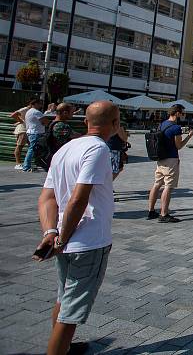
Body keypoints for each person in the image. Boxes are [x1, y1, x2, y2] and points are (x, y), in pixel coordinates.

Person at [34, 101, 118, 355]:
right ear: (115, 124)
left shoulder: (66, 149)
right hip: (88, 241)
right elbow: (78, 198)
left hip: (63, 236)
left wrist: (52, 233)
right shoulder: (98, 149)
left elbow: (47, 197)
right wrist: (64, 237)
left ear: (85, 121)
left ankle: (65, 347)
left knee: (64, 299)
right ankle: (59, 348)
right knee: (71, 314)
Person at [147, 105, 193, 223]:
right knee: (168, 186)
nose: (183, 115)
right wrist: (189, 136)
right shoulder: (176, 128)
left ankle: (151, 211)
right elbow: (179, 146)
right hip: (171, 159)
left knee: (157, 184)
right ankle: (164, 214)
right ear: (177, 113)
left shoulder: (162, 124)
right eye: (183, 113)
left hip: (160, 158)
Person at [22, 99, 47, 172]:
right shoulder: (36, 112)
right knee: (32, 149)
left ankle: (33, 164)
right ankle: (26, 167)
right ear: (35, 104)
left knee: (34, 149)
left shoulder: (29, 111)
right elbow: (44, 121)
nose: (41, 105)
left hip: (31, 132)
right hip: (36, 132)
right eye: (40, 104)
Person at [11, 98, 36, 169]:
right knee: (20, 146)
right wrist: (21, 121)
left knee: (31, 147)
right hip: (22, 130)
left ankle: (27, 163)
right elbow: (13, 115)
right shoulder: (25, 109)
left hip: (28, 130)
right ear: (31, 104)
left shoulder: (31, 110)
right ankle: (18, 164)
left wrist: (20, 121)